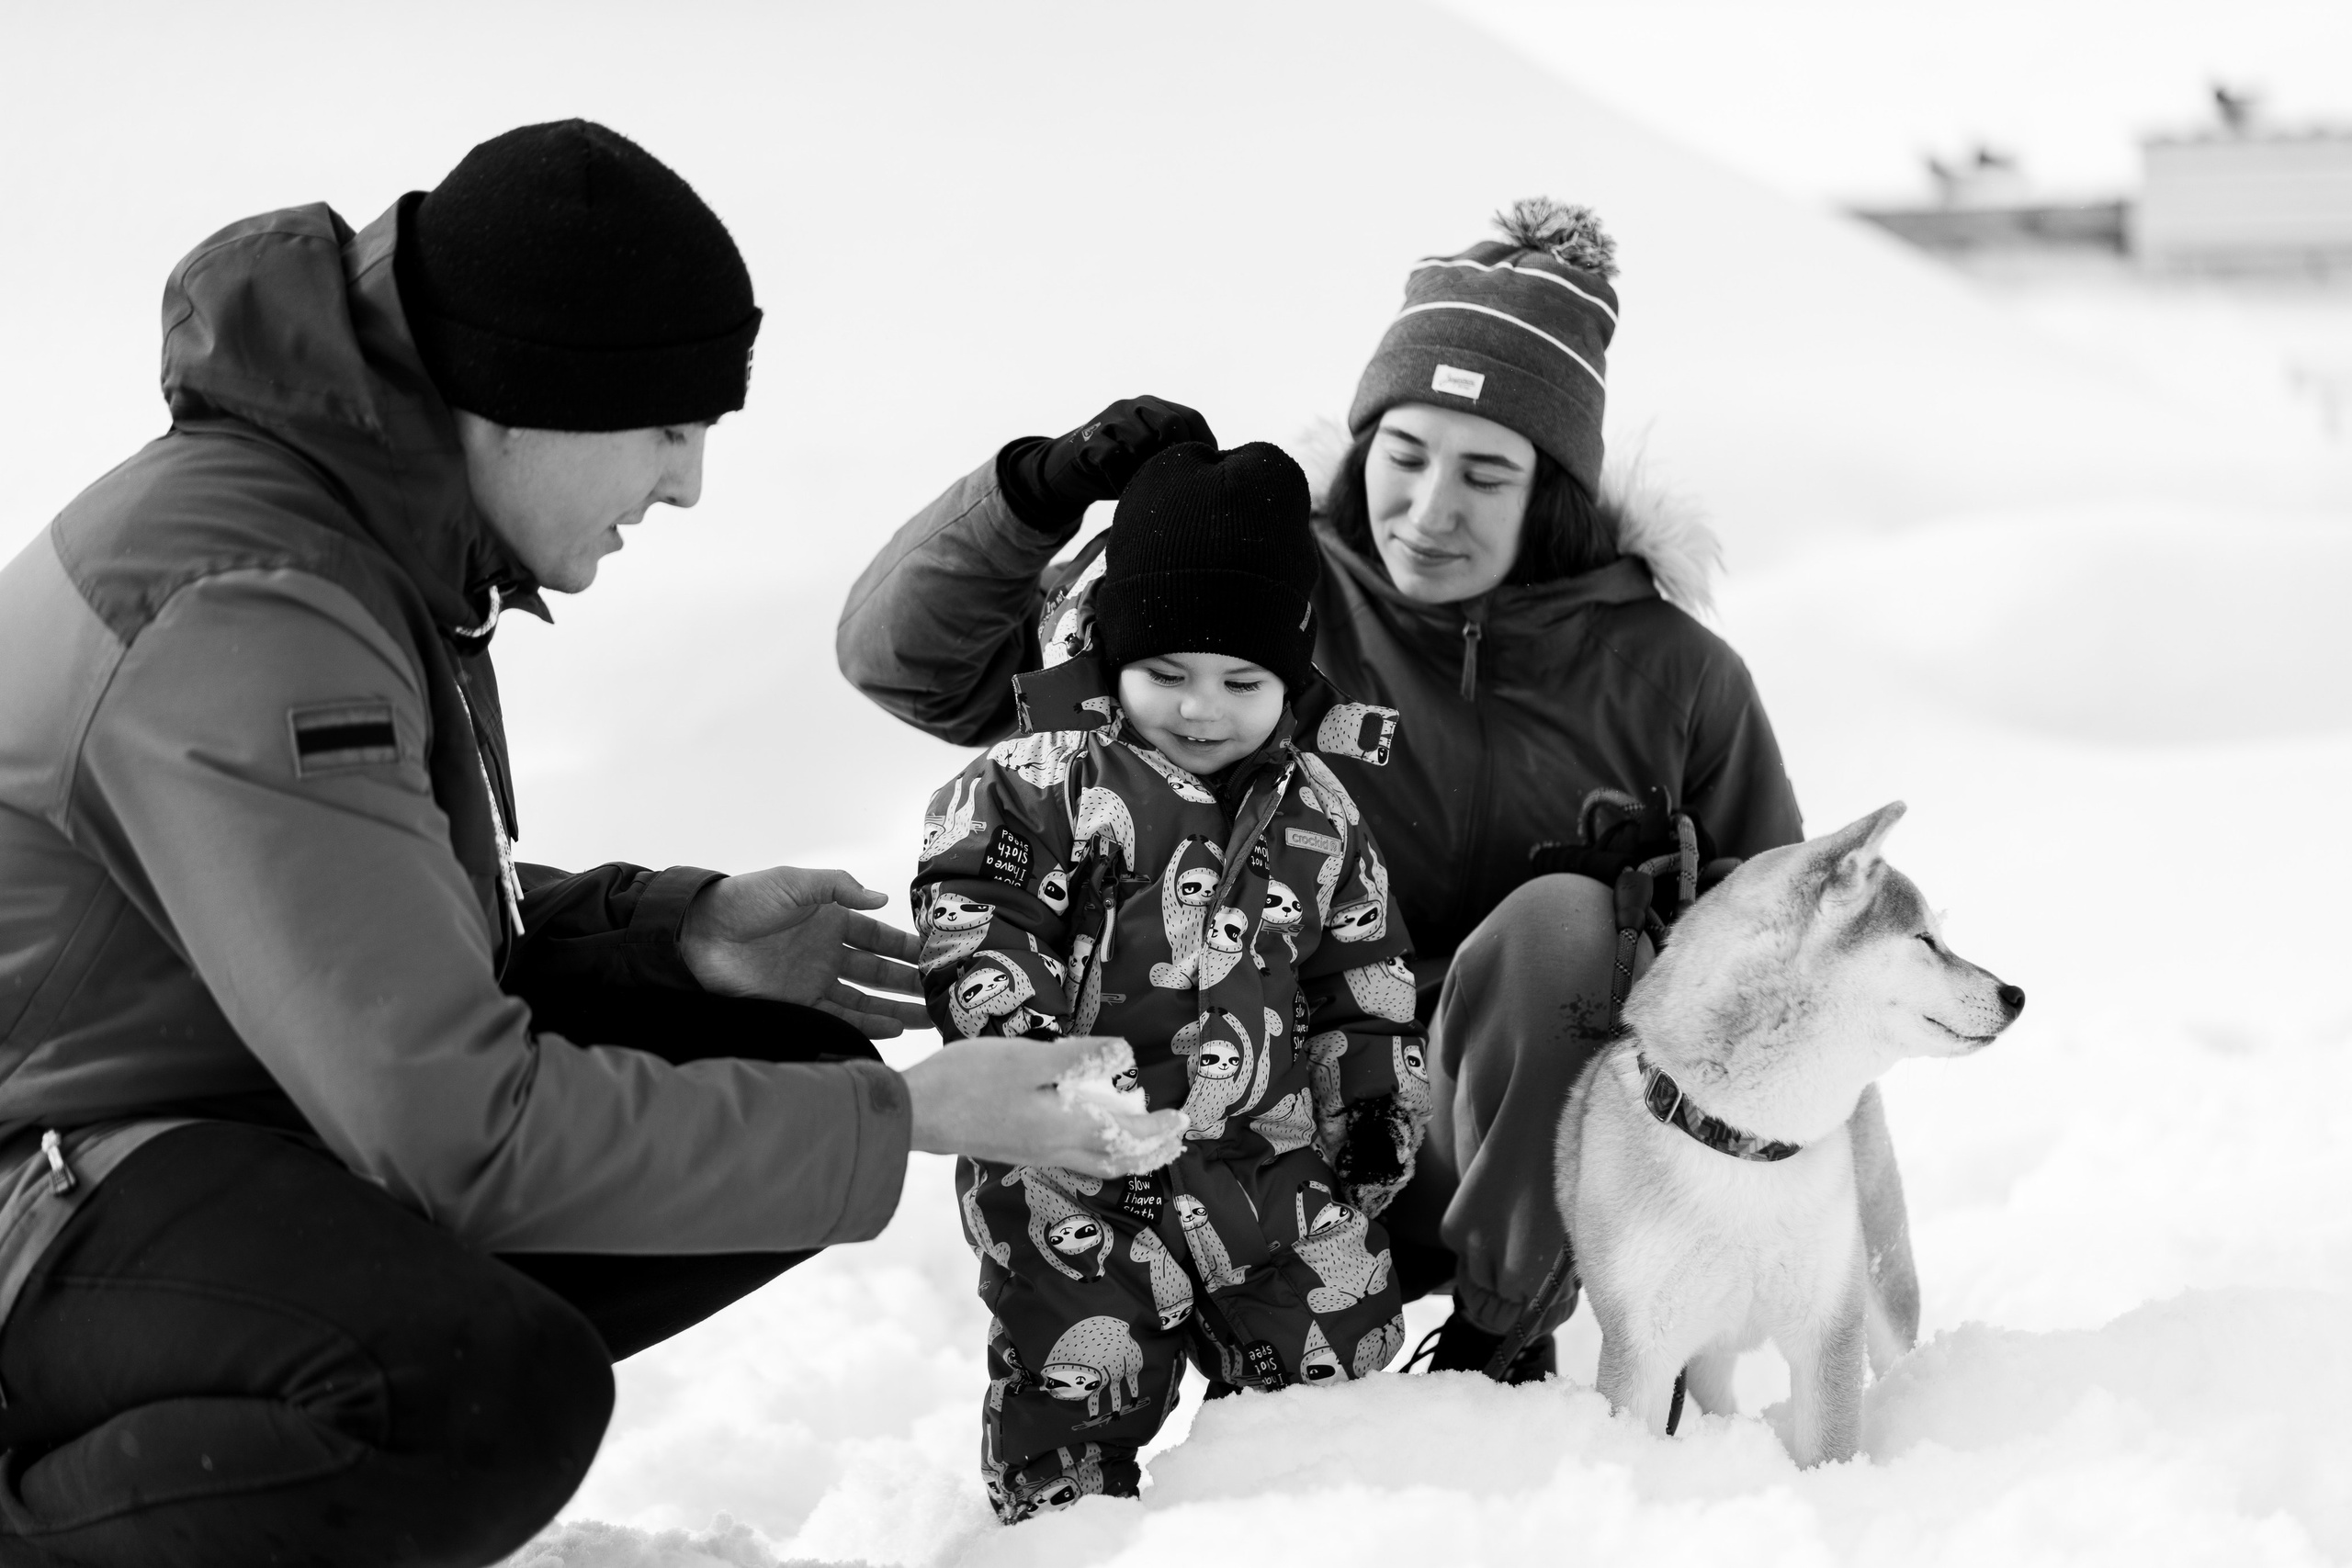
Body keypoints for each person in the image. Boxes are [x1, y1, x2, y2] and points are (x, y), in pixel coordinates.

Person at [0, 120, 1182, 1568]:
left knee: (774, 1060)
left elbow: (360, 917)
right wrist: (916, 1114)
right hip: (41, 1180)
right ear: (527, 400)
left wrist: (673, 935)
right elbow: (456, 1126)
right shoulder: (252, 604)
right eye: (669, 428)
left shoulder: (357, 535)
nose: (687, 484)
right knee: (468, 1396)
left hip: (199, 1110)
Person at [840, 197, 1917, 1388]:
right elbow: (913, 667)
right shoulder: (1255, 604)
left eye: (1486, 473)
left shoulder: (1672, 675)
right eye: (1404, 456)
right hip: (1242, 1121)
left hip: (1504, 1147)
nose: (1432, 508)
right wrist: (1038, 489)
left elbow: (1792, 959)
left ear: (1553, 489)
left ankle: (1495, 1347)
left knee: (1564, 923)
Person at [910, 442, 1426, 1522]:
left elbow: (1359, 969)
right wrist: (1041, 1077)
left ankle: (1287, 1517)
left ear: (1289, 680)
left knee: (1337, 1334)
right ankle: (1065, 1535)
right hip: (1073, 1166)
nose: (1201, 710)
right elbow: (979, 924)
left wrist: (1374, 1104)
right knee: (1077, 1377)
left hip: (1264, 1156)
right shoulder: (1037, 785)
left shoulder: (1319, 810)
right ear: (1111, 654)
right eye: (1167, 675)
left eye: (1242, 683)